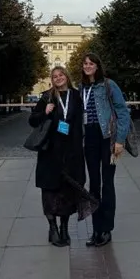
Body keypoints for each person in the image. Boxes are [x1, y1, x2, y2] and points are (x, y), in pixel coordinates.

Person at [28, 66, 97, 246]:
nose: (58, 78)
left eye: (61, 75)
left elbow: (80, 122)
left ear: (66, 77)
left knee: (68, 192)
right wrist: (45, 112)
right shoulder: (47, 97)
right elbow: (32, 120)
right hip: (50, 152)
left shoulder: (76, 96)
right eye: (54, 76)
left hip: (71, 152)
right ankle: (53, 228)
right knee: (50, 191)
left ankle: (65, 228)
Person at [81, 53, 130, 248]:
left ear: (97, 66)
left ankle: (106, 229)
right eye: (85, 64)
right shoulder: (82, 88)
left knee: (107, 184)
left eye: (91, 63)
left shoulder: (109, 85)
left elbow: (122, 112)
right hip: (90, 139)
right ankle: (96, 229)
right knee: (93, 184)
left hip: (107, 138)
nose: (87, 66)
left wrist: (119, 140)